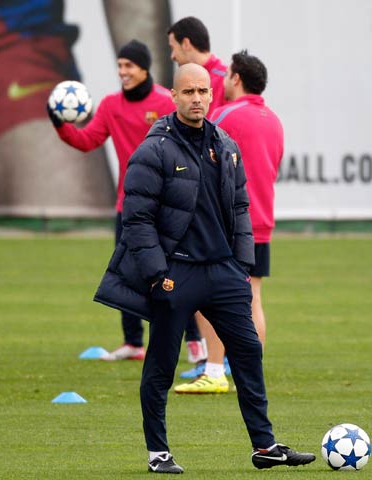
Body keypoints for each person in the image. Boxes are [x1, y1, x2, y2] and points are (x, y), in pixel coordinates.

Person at [94, 63, 315, 473]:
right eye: (188, 92)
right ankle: (158, 453)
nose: (196, 98)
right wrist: (157, 274)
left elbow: (241, 207)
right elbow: (137, 220)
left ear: (212, 95)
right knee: (161, 364)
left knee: (248, 352)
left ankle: (264, 447)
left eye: (202, 91)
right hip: (176, 275)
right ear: (174, 96)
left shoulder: (226, 144)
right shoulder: (154, 149)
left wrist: (241, 265)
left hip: (224, 272)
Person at [47, 39, 174, 361]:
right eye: (119, 66)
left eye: (129, 65)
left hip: (166, 205)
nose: (123, 72)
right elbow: (87, 140)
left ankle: (194, 341)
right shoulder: (110, 105)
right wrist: (60, 125)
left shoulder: (165, 102)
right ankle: (133, 342)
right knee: (128, 273)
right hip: (128, 205)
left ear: (144, 68)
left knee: (175, 273)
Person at [174, 51, 284, 394]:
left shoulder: (225, 115)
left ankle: (214, 370)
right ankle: (250, 374)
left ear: (236, 78)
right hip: (262, 220)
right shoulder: (274, 120)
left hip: (228, 223)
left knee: (206, 296)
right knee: (252, 299)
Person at [167, 15, 230, 374]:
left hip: (213, 200)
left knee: (219, 286)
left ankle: (217, 362)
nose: (172, 55)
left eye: (173, 46)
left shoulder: (222, 79)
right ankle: (211, 358)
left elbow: (223, 141)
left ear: (187, 43)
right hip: (194, 195)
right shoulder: (213, 78)